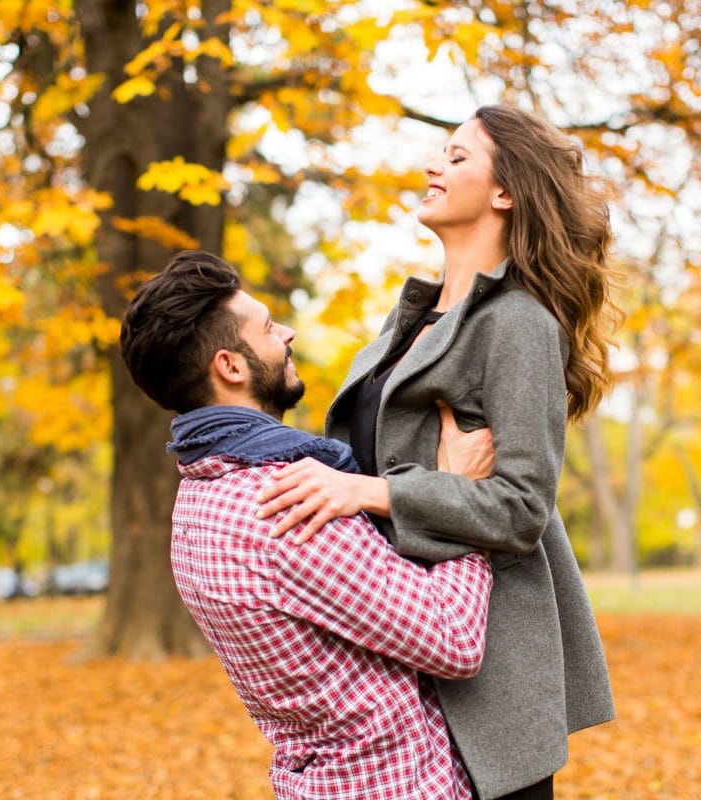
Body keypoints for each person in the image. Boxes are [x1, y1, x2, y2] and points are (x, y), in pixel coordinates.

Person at [257, 104, 621, 800]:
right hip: (397, 658)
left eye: (457, 158)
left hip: (487, 683)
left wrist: (375, 493)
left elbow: (521, 508)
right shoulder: (406, 322)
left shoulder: (517, 323)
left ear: (503, 192)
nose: (432, 166)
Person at [119, 249, 499, 799]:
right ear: (231, 366)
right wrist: (455, 492)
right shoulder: (286, 505)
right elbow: (453, 639)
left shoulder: (197, 496)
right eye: (270, 327)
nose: (289, 333)